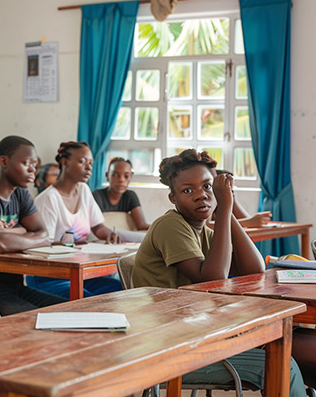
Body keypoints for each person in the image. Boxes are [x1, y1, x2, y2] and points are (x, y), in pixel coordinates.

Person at [131, 149, 307, 396]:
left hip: (198, 334)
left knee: (290, 344)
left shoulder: (203, 231)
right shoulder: (170, 225)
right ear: (173, 198)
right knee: (283, 365)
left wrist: (228, 209)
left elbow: (254, 268)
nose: (201, 195)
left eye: (207, 187)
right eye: (187, 190)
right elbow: (213, 278)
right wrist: (223, 209)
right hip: (170, 348)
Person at [0, 135, 66, 315]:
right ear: (4, 161)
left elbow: (44, 234)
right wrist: (26, 232)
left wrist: (13, 233)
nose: (33, 170)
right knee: (34, 322)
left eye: (35, 164)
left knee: (73, 310)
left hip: (16, 285)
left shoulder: (21, 194)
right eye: (26, 163)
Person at [28, 141, 122, 298]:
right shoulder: (49, 199)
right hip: (50, 275)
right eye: (82, 162)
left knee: (120, 289)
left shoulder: (84, 190)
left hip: (80, 272)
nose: (89, 168)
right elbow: (44, 244)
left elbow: (97, 226)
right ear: (64, 163)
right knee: (86, 299)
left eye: (91, 163)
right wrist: (74, 246)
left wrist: (108, 235)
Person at [92, 157, 150, 232]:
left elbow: (141, 225)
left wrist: (161, 228)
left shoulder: (130, 196)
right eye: (116, 175)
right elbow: (97, 226)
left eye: (126, 176)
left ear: (131, 176)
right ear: (107, 176)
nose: (121, 180)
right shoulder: (97, 196)